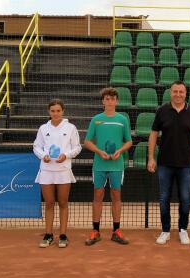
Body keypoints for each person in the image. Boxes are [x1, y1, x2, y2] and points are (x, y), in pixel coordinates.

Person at [147, 80, 190, 245]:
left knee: (185, 198)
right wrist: (151, 157)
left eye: (181, 92)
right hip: (165, 163)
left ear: (186, 94)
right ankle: (165, 230)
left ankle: (183, 230)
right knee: (164, 198)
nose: (178, 94)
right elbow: (154, 134)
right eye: (175, 91)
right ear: (170, 93)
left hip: (186, 164)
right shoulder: (162, 110)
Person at [83, 87, 132, 246]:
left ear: (116, 101)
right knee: (98, 194)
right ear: (103, 101)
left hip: (117, 164)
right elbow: (87, 141)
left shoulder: (122, 119)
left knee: (116, 195)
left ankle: (116, 231)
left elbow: (129, 141)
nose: (110, 101)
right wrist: (99, 151)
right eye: (107, 98)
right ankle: (95, 231)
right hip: (99, 164)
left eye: (113, 98)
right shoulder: (96, 119)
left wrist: (120, 150)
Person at [33, 99, 82, 248]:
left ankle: (63, 235)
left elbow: (77, 147)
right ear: (49, 112)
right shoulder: (43, 128)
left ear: (63, 111)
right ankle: (48, 235)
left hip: (63, 171)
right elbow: (36, 147)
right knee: (48, 203)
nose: (55, 113)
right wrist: (43, 156)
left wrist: (65, 155)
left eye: (58, 111)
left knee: (62, 202)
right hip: (46, 171)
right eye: (53, 111)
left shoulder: (71, 128)